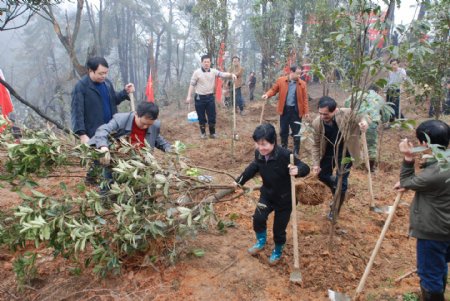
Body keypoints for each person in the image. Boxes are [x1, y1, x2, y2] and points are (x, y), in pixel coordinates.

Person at [235, 123, 310, 265]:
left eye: (264, 144)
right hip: (267, 195)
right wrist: (239, 181)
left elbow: (305, 167)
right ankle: (261, 241)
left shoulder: (285, 155)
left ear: (273, 141)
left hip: (285, 200)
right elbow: (252, 168)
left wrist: (297, 170)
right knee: (258, 218)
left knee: (278, 229)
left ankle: (278, 250)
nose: (261, 148)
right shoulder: (259, 154)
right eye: (258, 144)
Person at [394, 120, 450, 301]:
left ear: (425, 144)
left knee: (429, 275)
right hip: (445, 229)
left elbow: (407, 181)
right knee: (439, 267)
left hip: (433, 231)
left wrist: (409, 158)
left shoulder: (435, 173)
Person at [89, 102, 171, 191]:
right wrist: (103, 146)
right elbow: (103, 130)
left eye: (149, 125)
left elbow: (158, 140)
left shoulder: (154, 126)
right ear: (136, 114)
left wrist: (170, 149)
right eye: (143, 123)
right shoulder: (121, 120)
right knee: (108, 185)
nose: (145, 127)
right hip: (116, 160)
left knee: (139, 189)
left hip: (139, 163)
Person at [311, 96, 369, 218]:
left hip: (346, 153)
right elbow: (316, 145)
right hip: (328, 153)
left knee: (341, 185)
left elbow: (364, 116)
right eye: (320, 113)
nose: (322, 117)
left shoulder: (346, 113)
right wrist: (316, 164)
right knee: (321, 175)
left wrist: (364, 122)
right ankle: (336, 186)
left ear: (335, 110)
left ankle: (335, 210)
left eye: (326, 114)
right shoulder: (317, 123)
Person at [71, 57, 135, 144]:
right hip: (93, 134)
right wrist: (82, 134)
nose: (104, 76)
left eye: (106, 73)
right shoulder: (81, 87)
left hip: (111, 131)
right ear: (90, 71)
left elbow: (113, 100)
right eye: (101, 73)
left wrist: (125, 92)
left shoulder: (107, 83)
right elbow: (77, 112)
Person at [262, 65, 309, 157]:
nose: (299, 76)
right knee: (283, 130)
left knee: (297, 131)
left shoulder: (302, 84)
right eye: (297, 73)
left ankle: (296, 151)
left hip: (296, 111)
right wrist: (267, 95)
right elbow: (273, 90)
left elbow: (305, 99)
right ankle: (284, 148)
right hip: (284, 110)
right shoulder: (281, 80)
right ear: (291, 72)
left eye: (300, 74)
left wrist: (306, 112)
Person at [186, 54, 237, 139]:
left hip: (210, 97)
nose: (206, 63)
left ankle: (212, 133)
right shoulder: (197, 72)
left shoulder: (213, 71)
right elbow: (192, 85)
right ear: (202, 62)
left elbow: (222, 74)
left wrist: (231, 75)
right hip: (199, 98)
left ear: (210, 63)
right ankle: (203, 133)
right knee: (201, 117)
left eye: (208, 62)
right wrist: (188, 96)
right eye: (205, 62)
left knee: (212, 116)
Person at [344, 85, 392, 171]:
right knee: (371, 145)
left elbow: (346, 105)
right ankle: (370, 168)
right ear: (377, 91)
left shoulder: (356, 94)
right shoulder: (379, 98)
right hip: (371, 122)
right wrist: (384, 121)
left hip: (355, 120)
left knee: (353, 143)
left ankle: (354, 164)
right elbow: (386, 114)